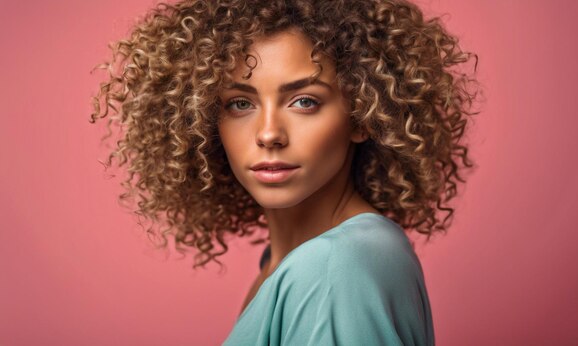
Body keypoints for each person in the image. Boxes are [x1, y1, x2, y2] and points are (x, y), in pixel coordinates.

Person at [89, 0, 478, 344]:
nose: (269, 133)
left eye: (304, 101)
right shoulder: (291, 262)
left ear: (362, 116)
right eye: (240, 103)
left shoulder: (334, 267)